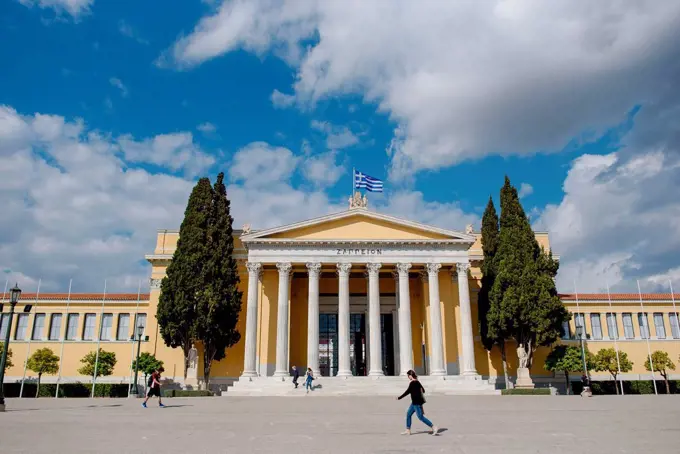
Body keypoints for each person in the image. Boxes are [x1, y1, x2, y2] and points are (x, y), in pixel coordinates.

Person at [397, 370, 438, 435]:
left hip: (416, 403)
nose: (408, 377)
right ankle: (408, 430)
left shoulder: (412, 383)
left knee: (420, 417)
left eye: (408, 376)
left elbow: (407, 392)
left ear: (410, 375)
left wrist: (399, 397)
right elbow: (423, 390)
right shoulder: (417, 382)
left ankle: (433, 427)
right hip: (414, 403)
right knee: (408, 414)